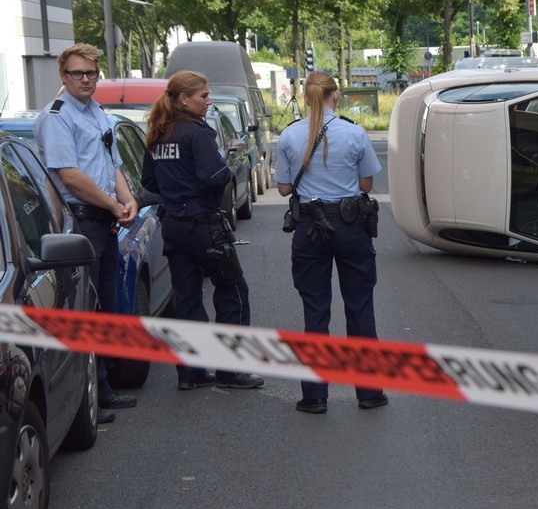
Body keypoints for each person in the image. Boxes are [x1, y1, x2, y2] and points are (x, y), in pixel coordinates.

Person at [34, 43, 138, 424]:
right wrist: (113, 206)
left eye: (91, 73)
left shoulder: (95, 111)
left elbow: (114, 166)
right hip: (82, 223)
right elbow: (69, 176)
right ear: (63, 76)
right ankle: (90, 397)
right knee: (87, 307)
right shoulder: (58, 117)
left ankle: (104, 387)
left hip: (104, 221)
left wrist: (128, 202)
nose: (85, 79)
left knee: (105, 305)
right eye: (77, 73)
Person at [141, 71, 264, 391]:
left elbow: (149, 182)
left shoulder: (158, 133)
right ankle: (230, 370)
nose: (208, 102)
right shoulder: (196, 134)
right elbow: (214, 177)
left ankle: (191, 372)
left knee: (187, 298)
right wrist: (218, 174)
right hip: (201, 224)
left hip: (173, 226)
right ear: (184, 99)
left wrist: (176, 190)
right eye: (203, 96)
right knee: (233, 289)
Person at [276, 71, 387, 414]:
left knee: (315, 313)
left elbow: (282, 188)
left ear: (306, 97)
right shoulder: (354, 133)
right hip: (350, 226)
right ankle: (369, 393)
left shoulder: (290, 135)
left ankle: (315, 396)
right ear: (335, 96)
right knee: (360, 309)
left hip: (310, 228)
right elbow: (366, 184)